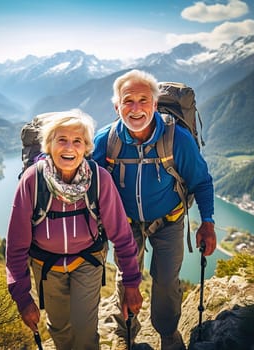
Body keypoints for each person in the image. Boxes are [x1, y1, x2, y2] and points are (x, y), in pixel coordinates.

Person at [93, 70, 216, 350]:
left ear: (155, 103)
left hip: (169, 222)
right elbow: (91, 185)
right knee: (127, 279)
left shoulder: (178, 139)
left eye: (143, 100)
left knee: (165, 281)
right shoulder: (106, 141)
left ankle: (168, 332)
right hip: (124, 225)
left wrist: (207, 222)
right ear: (117, 106)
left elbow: (201, 181)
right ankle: (128, 331)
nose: (136, 108)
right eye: (128, 101)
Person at [5, 109, 143, 350]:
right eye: (62, 140)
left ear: (86, 147)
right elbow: (16, 246)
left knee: (85, 328)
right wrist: (22, 297)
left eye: (77, 141)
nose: (69, 148)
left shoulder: (99, 180)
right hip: (46, 267)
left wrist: (131, 283)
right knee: (59, 328)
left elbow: (121, 235)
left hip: (87, 262)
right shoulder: (32, 180)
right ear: (49, 144)